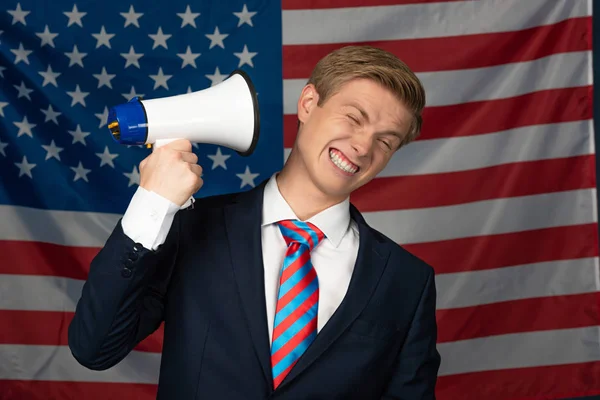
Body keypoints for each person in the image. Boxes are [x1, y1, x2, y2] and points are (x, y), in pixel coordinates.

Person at [69, 45, 441, 399]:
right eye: (353, 118)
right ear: (309, 103)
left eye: (385, 142)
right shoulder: (191, 229)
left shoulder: (407, 282)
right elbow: (94, 348)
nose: (363, 146)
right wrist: (151, 203)